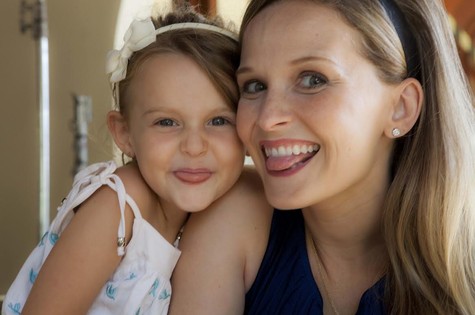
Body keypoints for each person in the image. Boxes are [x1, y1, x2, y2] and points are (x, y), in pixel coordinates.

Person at [169, 0, 475, 314]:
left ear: (401, 108)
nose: (267, 118)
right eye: (254, 85)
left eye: (313, 79)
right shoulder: (236, 215)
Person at [2, 5, 251, 315]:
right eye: (167, 122)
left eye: (218, 121)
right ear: (124, 133)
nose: (194, 146)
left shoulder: (219, 215)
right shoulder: (116, 209)